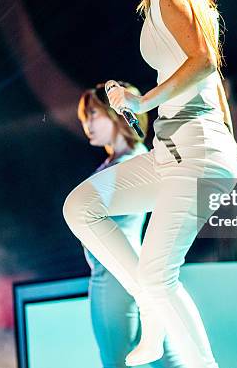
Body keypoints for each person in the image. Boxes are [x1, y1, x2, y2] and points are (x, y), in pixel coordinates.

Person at [63, 0, 237, 368]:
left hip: (193, 151)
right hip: (176, 151)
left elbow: (205, 64)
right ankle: (152, 309)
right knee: (82, 207)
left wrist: (140, 101)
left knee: (157, 277)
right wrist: (234, 152)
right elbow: (214, 79)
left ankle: (189, 350)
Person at [77, 82, 183, 368]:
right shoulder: (129, 159)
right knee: (171, 359)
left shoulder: (133, 161)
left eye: (94, 114)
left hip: (113, 275)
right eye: (85, 116)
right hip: (134, 269)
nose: (88, 123)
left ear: (115, 114)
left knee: (119, 362)